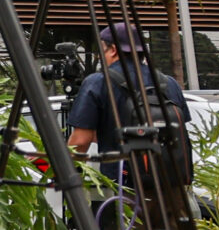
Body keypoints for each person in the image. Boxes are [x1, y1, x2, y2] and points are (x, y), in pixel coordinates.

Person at [64, 23, 190, 178]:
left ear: (114, 50)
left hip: (125, 186)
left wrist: (63, 171)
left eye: (102, 50)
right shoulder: (169, 83)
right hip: (172, 181)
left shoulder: (98, 82)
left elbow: (81, 142)